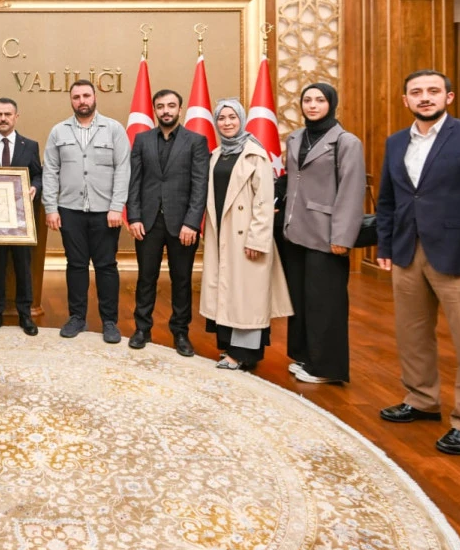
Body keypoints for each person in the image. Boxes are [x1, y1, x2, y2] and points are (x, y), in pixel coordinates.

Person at [376, 69, 460, 455]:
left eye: (433, 91)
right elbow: (388, 200)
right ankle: (421, 400)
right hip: (407, 251)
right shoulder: (396, 142)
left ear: (448, 97)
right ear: (405, 100)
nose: (425, 97)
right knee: (412, 334)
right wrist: (385, 246)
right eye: (416, 92)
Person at [281, 83, 365, 384]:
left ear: (331, 103)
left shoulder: (346, 142)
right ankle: (306, 356)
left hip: (326, 234)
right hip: (294, 232)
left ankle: (326, 367)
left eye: (320, 100)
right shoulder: (295, 138)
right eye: (307, 100)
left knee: (325, 302)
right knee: (301, 299)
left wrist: (342, 237)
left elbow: (352, 192)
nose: (313, 105)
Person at [200, 99, 293, 370]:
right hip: (222, 233)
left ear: (241, 120)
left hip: (246, 237)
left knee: (247, 298)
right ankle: (230, 348)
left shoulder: (255, 154)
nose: (227, 122)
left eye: (232, 117)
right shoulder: (217, 154)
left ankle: (243, 354)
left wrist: (256, 239)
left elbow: (264, 202)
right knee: (227, 292)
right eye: (221, 118)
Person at [42, 80, 130, 343]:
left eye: (86, 95)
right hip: (70, 210)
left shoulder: (113, 129)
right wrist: (51, 208)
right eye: (77, 97)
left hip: (105, 212)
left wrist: (117, 207)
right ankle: (77, 317)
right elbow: (50, 171)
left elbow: (123, 169)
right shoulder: (59, 131)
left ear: (95, 97)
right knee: (76, 265)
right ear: (71, 100)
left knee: (106, 266)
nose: (82, 101)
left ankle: (110, 322)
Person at [126, 89, 209, 355]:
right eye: (160, 106)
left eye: (171, 106)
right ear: (154, 110)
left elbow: (200, 185)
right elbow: (134, 181)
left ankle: (180, 332)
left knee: (181, 280)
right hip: (148, 222)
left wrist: (192, 223)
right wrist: (134, 216)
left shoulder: (196, 141)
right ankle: (142, 329)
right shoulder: (142, 140)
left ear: (180, 109)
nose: (166, 111)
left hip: (182, 224)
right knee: (145, 278)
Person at [0, 97, 43, 336]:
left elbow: (38, 175)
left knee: (23, 267)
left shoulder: (30, 145)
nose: (3, 118)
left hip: (22, 219)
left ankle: (26, 315)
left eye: (7, 114)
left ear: (16, 117)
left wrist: (35, 187)